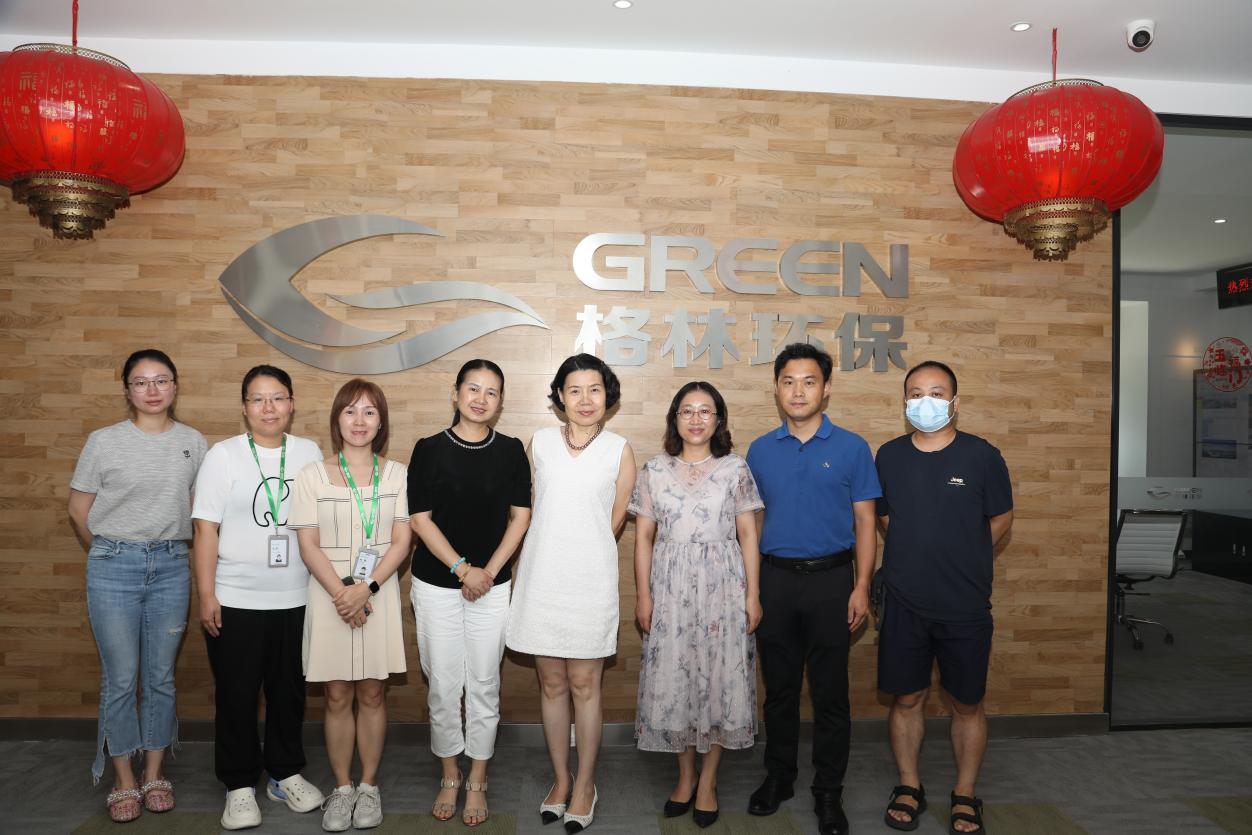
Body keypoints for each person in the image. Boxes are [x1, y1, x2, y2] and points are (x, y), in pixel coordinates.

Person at [744, 342, 880, 835]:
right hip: (776, 581)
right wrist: (752, 588)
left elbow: (866, 522)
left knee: (830, 694)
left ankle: (828, 791)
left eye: (808, 382)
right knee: (779, 691)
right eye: (788, 381)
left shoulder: (852, 447)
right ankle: (779, 777)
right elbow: (752, 524)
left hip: (832, 582)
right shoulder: (760, 450)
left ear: (826, 389)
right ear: (776, 389)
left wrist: (861, 586)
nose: (798, 391)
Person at [68, 348, 208, 823]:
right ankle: (123, 778)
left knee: (161, 676)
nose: (152, 390)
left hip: (171, 565)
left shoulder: (193, 442)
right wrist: (113, 552)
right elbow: (79, 511)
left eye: (161, 380)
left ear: (175, 386)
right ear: (127, 390)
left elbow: (198, 511)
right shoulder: (104, 441)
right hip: (114, 566)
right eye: (141, 382)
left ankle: (154, 773)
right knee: (122, 677)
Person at [874, 360, 1013, 835]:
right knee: (907, 698)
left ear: (955, 401)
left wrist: (966, 552)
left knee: (967, 702)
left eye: (936, 393)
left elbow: (1002, 517)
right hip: (903, 600)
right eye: (916, 393)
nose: (925, 402)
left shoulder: (982, 456)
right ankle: (908, 785)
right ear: (904, 401)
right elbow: (885, 518)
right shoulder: (888, 456)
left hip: (964, 604)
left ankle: (965, 793)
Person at [505, 353, 636, 834]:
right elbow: (524, 509)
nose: (585, 399)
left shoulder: (620, 450)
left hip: (589, 581)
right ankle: (561, 779)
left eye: (594, 389)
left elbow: (614, 521)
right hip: (543, 577)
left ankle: (586, 783)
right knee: (552, 684)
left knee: (585, 685)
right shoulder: (538, 443)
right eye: (575, 390)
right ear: (560, 395)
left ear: (608, 395)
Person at [192, 365, 326, 830]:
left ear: (292, 403)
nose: (269, 407)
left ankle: (284, 774)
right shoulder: (223, 456)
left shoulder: (308, 452)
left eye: (278, 397)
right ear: (244, 407)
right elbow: (205, 530)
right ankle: (239, 784)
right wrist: (206, 594)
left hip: (297, 597)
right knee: (237, 694)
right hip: (236, 598)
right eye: (257, 399)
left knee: (289, 692)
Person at [631, 381, 763, 830]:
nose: (696, 419)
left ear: (718, 420)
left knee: (721, 677)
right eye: (687, 411)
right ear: (675, 418)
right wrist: (644, 595)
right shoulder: (654, 469)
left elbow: (748, 534)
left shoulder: (735, 469)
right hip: (670, 589)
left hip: (724, 587)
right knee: (677, 678)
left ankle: (709, 780)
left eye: (706, 411)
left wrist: (752, 595)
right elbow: (643, 538)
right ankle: (685, 776)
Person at [407, 359, 532, 827]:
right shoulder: (428, 449)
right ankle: (449, 772)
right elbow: (420, 519)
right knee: (443, 684)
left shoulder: (511, 450)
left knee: (483, 682)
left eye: (491, 392)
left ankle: (478, 775)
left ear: (500, 401)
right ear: (456, 393)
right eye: (473, 389)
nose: (481, 399)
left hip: (492, 587)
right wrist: (462, 569)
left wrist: (488, 573)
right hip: (436, 583)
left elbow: (521, 516)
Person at [288, 379, 412, 832]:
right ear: (336, 418)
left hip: (378, 590)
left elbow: (402, 540)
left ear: (381, 422)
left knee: (373, 692)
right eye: (351, 411)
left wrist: (367, 588)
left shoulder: (397, 473)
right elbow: (308, 544)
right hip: (329, 594)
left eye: (370, 412)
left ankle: (369, 786)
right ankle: (342, 789)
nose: (360, 421)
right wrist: (345, 593)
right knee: (337, 694)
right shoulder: (312, 475)